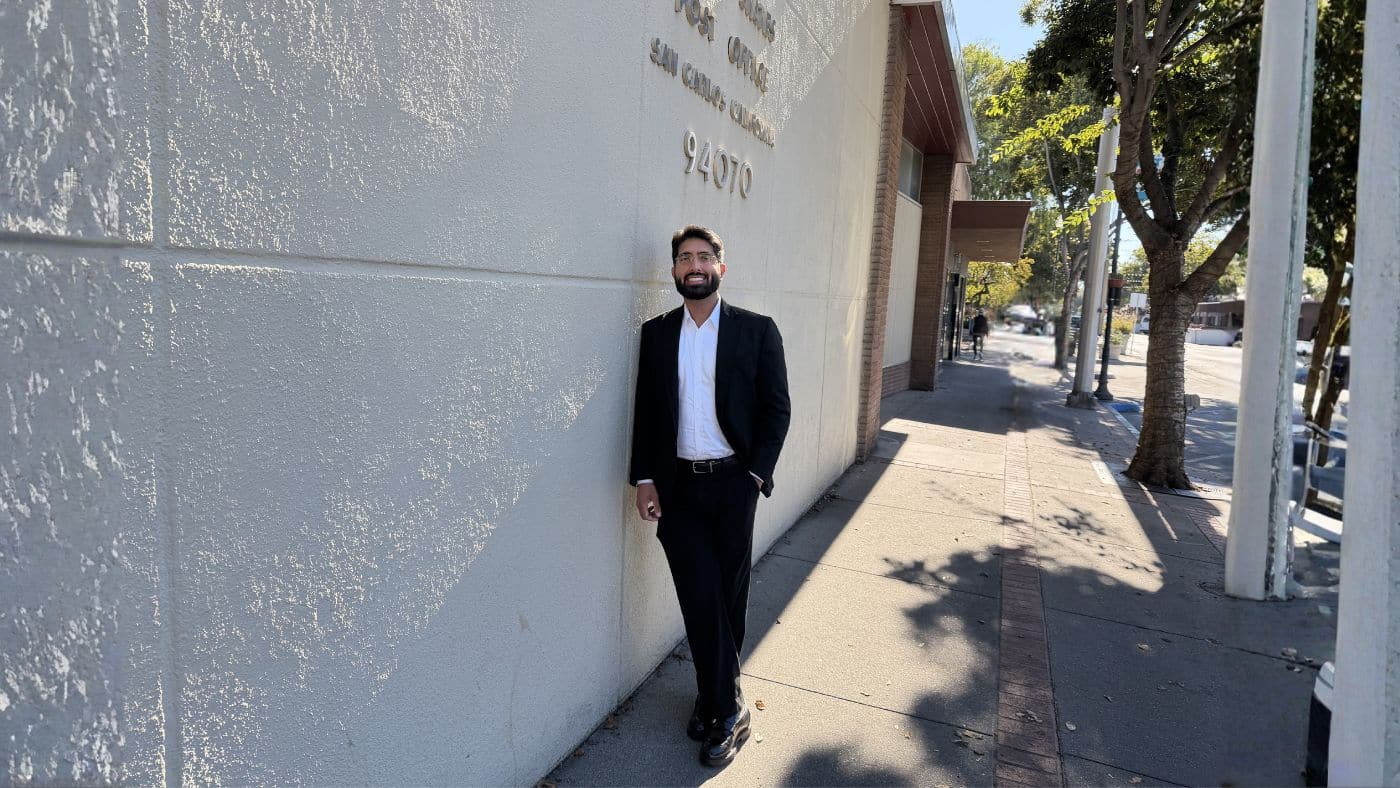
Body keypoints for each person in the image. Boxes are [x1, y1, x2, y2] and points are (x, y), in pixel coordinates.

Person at [629, 225, 791, 767]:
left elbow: (776, 410)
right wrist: (644, 478)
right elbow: (648, 415)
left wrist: (755, 477)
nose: (693, 265)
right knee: (699, 593)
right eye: (683, 258)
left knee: (729, 596)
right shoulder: (656, 335)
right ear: (673, 272)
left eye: (703, 256)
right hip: (676, 485)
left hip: (733, 483)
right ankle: (729, 708)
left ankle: (713, 695)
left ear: (721, 266)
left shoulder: (757, 331)